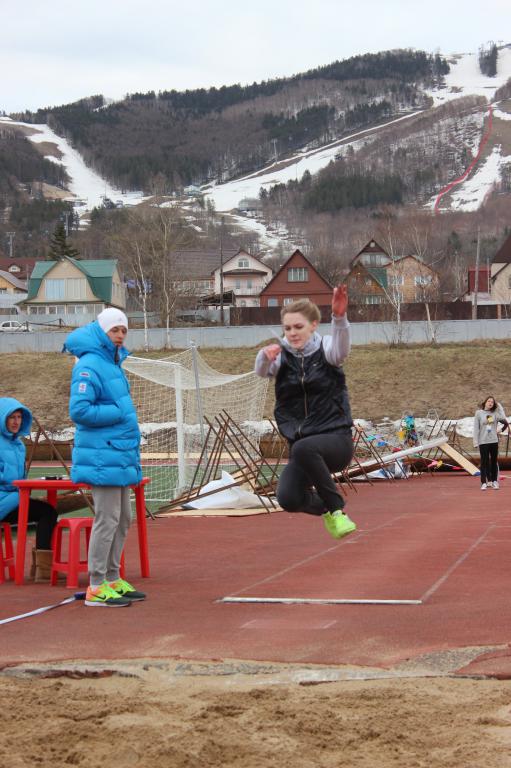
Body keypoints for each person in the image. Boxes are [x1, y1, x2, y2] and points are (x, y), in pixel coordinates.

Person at [255, 286, 356, 539]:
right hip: (304, 447)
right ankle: (325, 510)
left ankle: (337, 510)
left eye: (298, 327)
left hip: (335, 440)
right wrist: (265, 357)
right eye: (287, 329)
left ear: (313, 325)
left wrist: (340, 318)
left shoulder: (327, 350)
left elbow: (342, 349)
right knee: (288, 498)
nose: (292, 333)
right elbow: (261, 370)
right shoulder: (282, 357)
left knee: (302, 448)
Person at [63, 307, 146, 607]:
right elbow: (80, 411)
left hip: (118, 453)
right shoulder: (88, 366)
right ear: (102, 332)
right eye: (115, 330)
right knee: (107, 518)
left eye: (124, 330)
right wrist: (118, 413)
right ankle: (96, 584)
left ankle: (112, 577)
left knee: (122, 518)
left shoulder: (114, 364)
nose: (121, 336)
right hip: (103, 455)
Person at [0, 397, 58, 581]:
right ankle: (43, 570)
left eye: (19, 417)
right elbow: (11, 479)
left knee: (47, 511)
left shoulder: (18, 445)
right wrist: (16, 484)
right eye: (12, 417)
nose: (16, 421)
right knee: (47, 512)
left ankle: (42, 568)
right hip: (4, 499)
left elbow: (19, 478)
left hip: (12, 498)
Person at [473, 396, 508, 490]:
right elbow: (476, 428)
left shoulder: (495, 414)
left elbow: (505, 421)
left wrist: (499, 407)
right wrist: (475, 442)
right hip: (483, 441)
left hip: (493, 441)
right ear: (485, 402)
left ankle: (494, 482)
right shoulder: (479, 413)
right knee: (484, 462)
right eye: (489, 401)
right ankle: (484, 482)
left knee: (493, 462)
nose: (490, 403)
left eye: (492, 402)